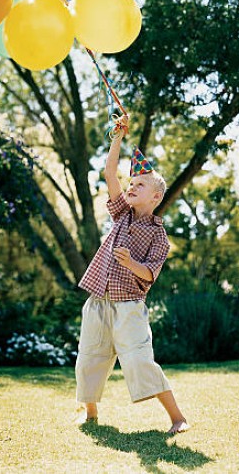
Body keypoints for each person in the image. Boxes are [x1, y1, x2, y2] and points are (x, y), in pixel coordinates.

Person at [75, 115, 189, 435]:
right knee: (89, 358)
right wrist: (117, 138)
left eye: (140, 184)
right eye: (132, 184)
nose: (132, 186)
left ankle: (177, 418)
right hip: (99, 301)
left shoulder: (159, 237)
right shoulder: (121, 214)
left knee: (140, 361)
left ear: (156, 197)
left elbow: (150, 274)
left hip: (129, 306)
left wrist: (129, 263)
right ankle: (90, 412)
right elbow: (110, 172)